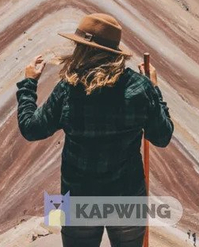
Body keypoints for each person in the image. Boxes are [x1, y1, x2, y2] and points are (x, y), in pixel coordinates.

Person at [16, 13, 174, 247]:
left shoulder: (69, 89)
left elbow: (31, 128)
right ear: (114, 52)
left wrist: (29, 83)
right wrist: (153, 88)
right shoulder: (139, 88)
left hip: (78, 197)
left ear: (83, 49)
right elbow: (162, 136)